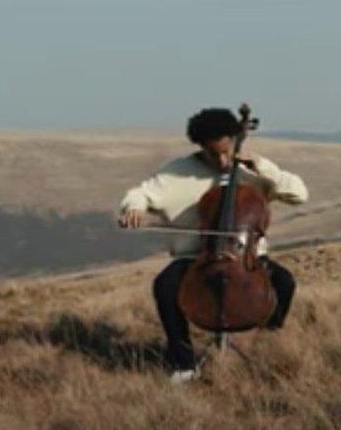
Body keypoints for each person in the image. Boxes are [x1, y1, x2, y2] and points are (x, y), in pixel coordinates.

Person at [117, 107, 309, 383]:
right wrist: (133, 208)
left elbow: (299, 194)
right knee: (165, 285)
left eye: (226, 151)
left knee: (285, 283)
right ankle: (183, 362)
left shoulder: (253, 169)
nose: (221, 160)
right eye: (212, 153)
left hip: (247, 257)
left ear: (234, 141)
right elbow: (140, 194)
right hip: (197, 257)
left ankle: (269, 338)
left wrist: (261, 167)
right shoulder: (177, 172)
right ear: (200, 147)